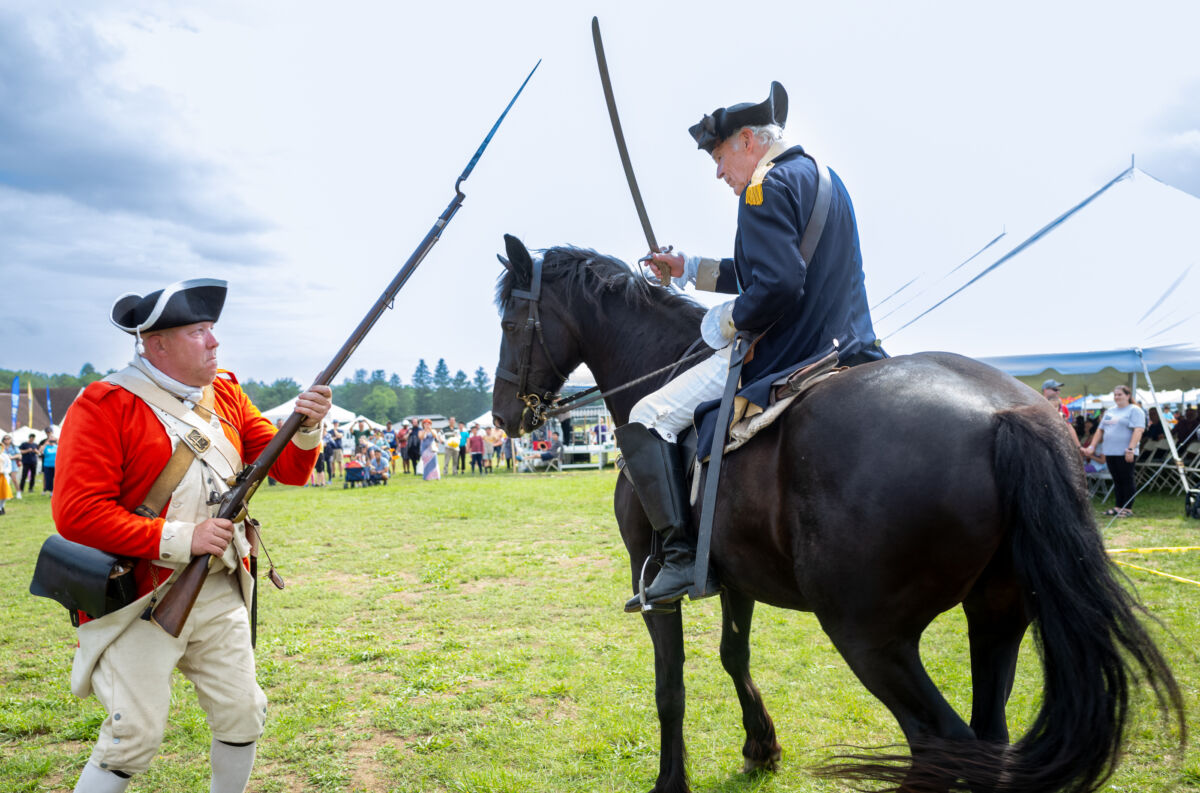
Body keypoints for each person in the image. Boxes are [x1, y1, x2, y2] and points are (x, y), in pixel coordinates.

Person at [53, 277, 331, 793]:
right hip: (140, 595)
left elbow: (289, 468)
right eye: (200, 331)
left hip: (218, 584)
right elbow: (77, 514)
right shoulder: (105, 403)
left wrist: (308, 425)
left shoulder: (223, 391)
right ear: (157, 344)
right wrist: (182, 538)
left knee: (244, 712)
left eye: (212, 330)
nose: (214, 341)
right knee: (131, 738)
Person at [621, 81, 885, 612]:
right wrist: (690, 268)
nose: (720, 173)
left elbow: (780, 286)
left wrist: (727, 319)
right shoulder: (822, 178)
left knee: (646, 415)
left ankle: (676, 558)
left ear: (747, 141)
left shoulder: (763, 187)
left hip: (793, 351)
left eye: (720, 158)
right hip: (849, 344)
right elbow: (770, 267)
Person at [1081, 385, 1145, 517]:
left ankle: (1127, 508)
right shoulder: (1110, 411)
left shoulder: (1134, 410)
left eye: (1120, 394)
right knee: (1117, 480)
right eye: (1115, 395)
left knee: (1126, 478)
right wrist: (1092, 447)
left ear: (1128, 396)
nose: (1117, 397)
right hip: (1110, 451)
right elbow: (1100, 430)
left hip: (1125, 451)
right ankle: (1118, 506)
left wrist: (1131, 449)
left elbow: (1138, 430)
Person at [4, 434, 22, 499]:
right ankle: (7, 494)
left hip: (13, 465)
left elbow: (19, 455)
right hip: (3, 466)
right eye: (5, 439)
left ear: (10, 440)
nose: (6, 440)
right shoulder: (1, 447)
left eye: (8, 439)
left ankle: (18, 492)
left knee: (14, 479)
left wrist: (11, 457)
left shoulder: (14, 447)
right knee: (5, 480)